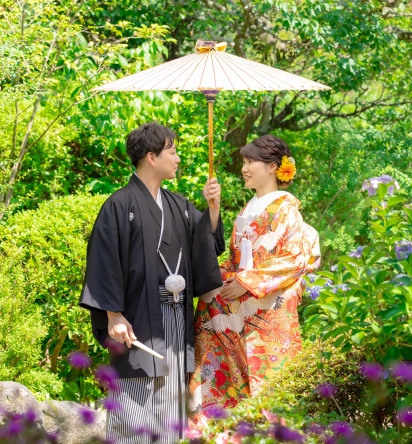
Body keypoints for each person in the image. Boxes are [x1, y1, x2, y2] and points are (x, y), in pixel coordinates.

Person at [79, 122, 225, 444]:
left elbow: (205, 243)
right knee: (135, 403)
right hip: (139, 320)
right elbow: (105, 260)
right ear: (151, 157)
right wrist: (113, 315)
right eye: (172, 152)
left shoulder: (178, 205)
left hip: (175, 318)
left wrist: (212, 210)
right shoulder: (119, 205)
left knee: (170, 410)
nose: (178, 159)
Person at [189, 134, 320, 414]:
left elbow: (296, 258)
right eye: (244, 162)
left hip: (269, 303)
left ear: (273, 166)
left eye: (251, 162)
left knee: (269, 379)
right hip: (241, 300)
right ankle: (219, 416)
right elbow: (234, 260)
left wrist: (247, 281)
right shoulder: (249, 208)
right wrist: (217, 280)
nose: (244, 168)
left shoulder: (286, 208)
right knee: (208, 309)